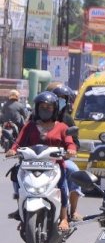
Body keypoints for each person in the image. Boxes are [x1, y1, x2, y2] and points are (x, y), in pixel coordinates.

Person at [6, 91, 76, 230]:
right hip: (30, 164)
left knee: (62, 187)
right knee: (17, 180)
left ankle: (64, 218)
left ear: (54, 109)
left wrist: (71, 150)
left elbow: (70, 143)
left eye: (48, 107)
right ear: (37, 108)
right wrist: (12, 150)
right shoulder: (29, 126)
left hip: (54, 164)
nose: (45, 109)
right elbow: (18, 142)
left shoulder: (62, 127)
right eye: (42, 107)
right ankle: (23, 213)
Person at [50, 84, 83, 220]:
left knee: (74, 171)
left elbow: (75, 142)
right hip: (40, 158)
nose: (60, 101)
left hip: (61, 158)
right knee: (17, 172)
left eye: (63, 98)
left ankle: (73, 210)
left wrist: (70, 150)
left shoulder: (67, 120)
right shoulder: (36, 117)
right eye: (58, 98)